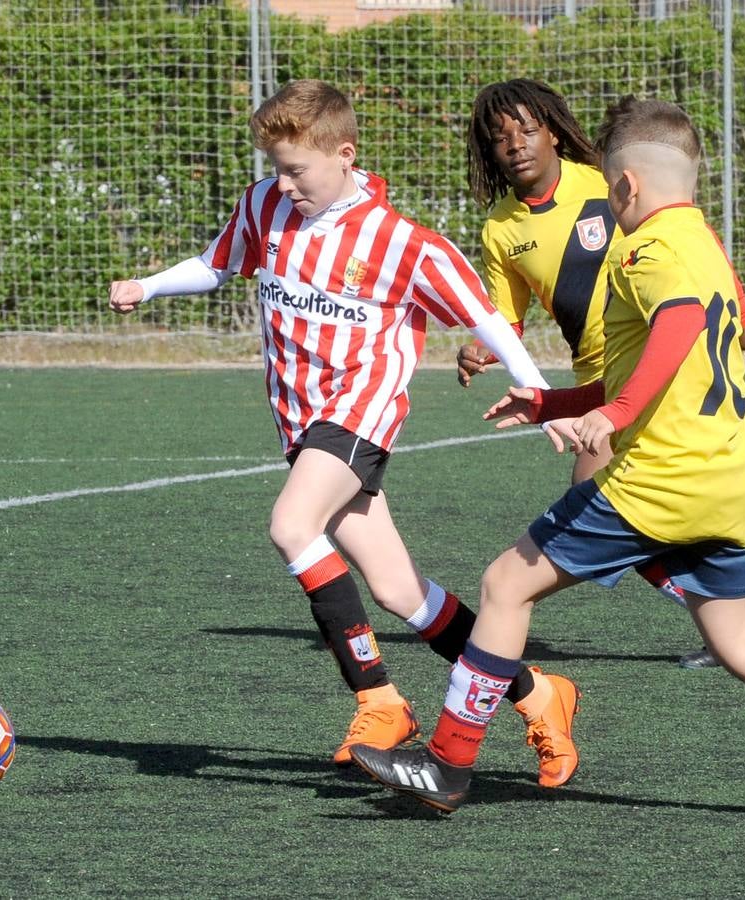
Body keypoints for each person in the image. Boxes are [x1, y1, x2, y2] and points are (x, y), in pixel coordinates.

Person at [352, 95, 745, 818]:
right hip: (729, 478)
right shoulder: (703, 243)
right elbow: (669, 349)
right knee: (737, 639)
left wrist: (612, 415)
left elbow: (678, 324)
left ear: (623, 186)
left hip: (658, 478)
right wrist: (552, 402)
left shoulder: (647, 249)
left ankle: (448, 766)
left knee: (502, 587)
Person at [107, 79, 581, 787]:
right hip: (300, 420)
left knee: (293, 526)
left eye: (296, 169)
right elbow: (216, 264)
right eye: (276, 167)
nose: (284, 183)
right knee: (398, 590)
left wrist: (541, 395)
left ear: (345, 153)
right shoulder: (265, 206)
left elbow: (483, 316)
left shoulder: (403, 244)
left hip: (358, 412)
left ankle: (378, 698)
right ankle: (536, 693)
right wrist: (146, 286)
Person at [454, 79, 745, 669]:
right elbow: (506, 318)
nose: (516, 145)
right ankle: (730, 623)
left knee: (597, 505)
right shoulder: (500, 228)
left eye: (527, 130)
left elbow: (689, 239)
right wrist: (483, 347)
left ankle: (733, 626)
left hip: (654, 368)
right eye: (500, 139)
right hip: (594, 376)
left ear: (552, 131)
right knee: (602, 502)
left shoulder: (600, 178)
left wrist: (743, 316)